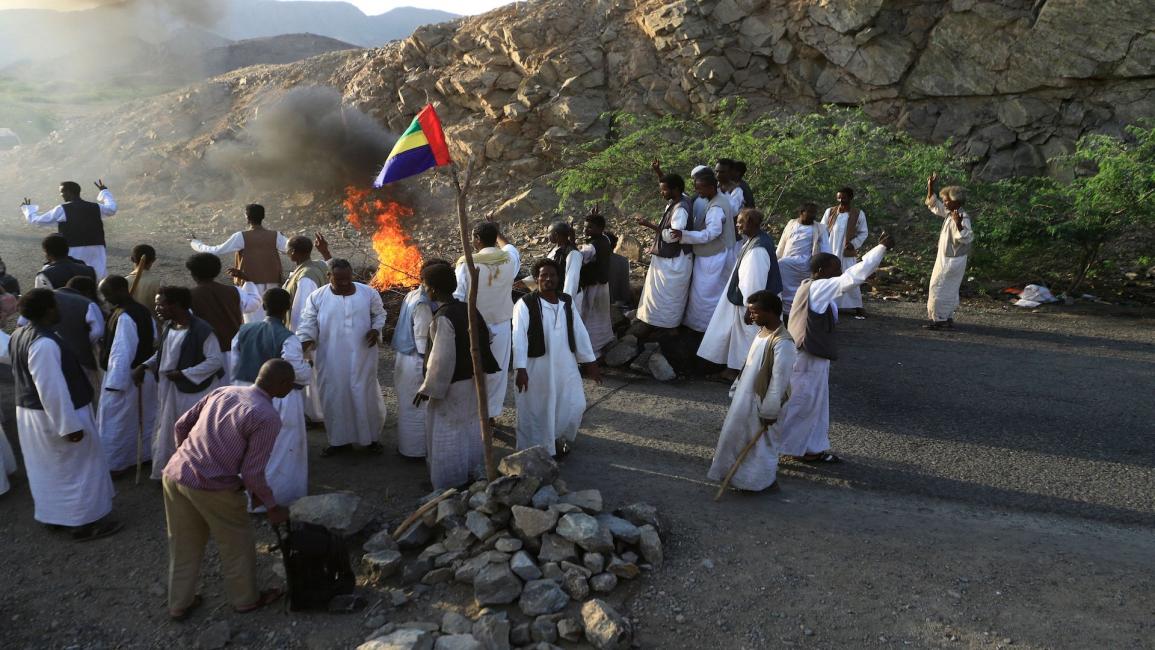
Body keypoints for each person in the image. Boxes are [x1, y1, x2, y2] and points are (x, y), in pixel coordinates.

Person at [162, 359, 294, 621]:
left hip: (175, 475)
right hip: (213, 486)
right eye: (290, 384)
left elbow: (180, 426)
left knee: (183, 545)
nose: (292, 388)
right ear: (280, 385)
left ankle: (179, 604)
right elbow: (252, 473)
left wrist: (188, 457)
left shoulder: (226, 391)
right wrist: (272, 507)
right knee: (237, 543)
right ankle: (246, 600)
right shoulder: (267, 417)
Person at [3, 289, 120, 540]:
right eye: (55, 306)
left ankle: (55, 515)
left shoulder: (19, 335)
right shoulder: (43, 343)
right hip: (56, 416)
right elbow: (52, 390)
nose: (59, 309)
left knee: (48, 469)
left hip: (32, 414)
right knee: (78, 469)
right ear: (47, 310)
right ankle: (84, 523)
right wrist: (69, 426)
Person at [776, 232, 895, 463]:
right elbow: (853, 276)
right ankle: (791, 447)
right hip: (807, 357)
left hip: (813, 356)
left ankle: (811, 448)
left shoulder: (813, 287)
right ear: (821, 271)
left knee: (815, 404)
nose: (839, 271)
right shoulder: (819, 288)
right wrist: (880, 248)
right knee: (804, 403)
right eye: (835, 267)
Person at [415, 263, 499, 489]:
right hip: (473, 380)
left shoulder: (443, 317)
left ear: (431, 289)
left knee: (447, 432)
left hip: (452, 387)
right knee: (469, 428)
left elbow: (441, 360)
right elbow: (489, 336)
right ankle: (471, 472)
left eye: (424, 285)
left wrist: (427, 389)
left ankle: (447, 482)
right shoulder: (468, 309)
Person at [229, 288, 311, 510]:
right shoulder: (288, 338)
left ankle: (250, 498)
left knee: (249, 447)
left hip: (245, 394)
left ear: (263, 307)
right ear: (287, 310)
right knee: (281, 447)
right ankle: (278, 498)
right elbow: (296, 371)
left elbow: (234, 364)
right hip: (279, 399)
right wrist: (308, 370)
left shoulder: (243, 331)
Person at [132, 286, 225, 479]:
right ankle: (169, 472)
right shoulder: (170, 326)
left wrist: (184, 374)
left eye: (161, 304)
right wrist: (144, 366)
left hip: (194, 392)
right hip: (170, 389)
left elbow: (215, 361)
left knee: (192, 433)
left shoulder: (202, 330)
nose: (157, 308)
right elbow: (163, 354)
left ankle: (195, 475)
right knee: (167, 430)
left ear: (177, 305)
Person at [297, 258, 387, 456]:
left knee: (365, 393)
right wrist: (305, 341)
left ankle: (370, 439)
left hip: (363, 355)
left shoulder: (368, 293)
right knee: (334, 396)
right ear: (328, 277)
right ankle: (339, 442)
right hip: (330, 357)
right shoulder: (316, 297)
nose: (346, 283)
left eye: (348, 279)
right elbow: (307, 322)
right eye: (340, 280)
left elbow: (380, 315)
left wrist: (375, 329)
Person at [512, 258, 601, 456]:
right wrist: (520, 369)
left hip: (565, 365)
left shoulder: (566, 301)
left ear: (558, 278)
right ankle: (537, 451)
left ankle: (554, 440)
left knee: (573, 404)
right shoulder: (524, 304)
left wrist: (590, 362)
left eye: (552, 275)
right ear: (536, 279)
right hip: (536, 367)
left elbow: (579, 331)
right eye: (544, 275)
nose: (548, 279)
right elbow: (518, 337)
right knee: (538, 408)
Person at [706, 290, 793, 492]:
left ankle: (761, 482)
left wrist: (770, 411)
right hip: (745, 399)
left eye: (755, 312)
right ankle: (739, 479)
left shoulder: (784, 344)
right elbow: (749, 365)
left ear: (771, 312)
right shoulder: (762, 333)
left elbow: (779, 381)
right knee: (737, 438)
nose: (751, 316)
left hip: (763, 404)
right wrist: (737, 388)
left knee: (761, 446)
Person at [698, 208, 782, 378]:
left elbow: (753, 283)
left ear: (751, 222)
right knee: (738, 340)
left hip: (752, 304)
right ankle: (733, 372)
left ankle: (746, 376)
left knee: (747, 341)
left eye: (741, 221)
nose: (737, 224)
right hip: (748, 302)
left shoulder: (757, 249)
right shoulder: (755, 240)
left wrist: (751, 310)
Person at [454, 222, 519, 422]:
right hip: (501, 323)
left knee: (474, 369)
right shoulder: (509, 258)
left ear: (477, 239)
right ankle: (489, 414)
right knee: (497, 371)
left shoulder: (467, 263)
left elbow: (460, 295)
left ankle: (476, 413)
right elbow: (509, 246)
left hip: (475, 326)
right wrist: (498, 231)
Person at [96, 275, 157, 476]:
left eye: (107, 294)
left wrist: (115, 384)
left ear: (121, 290)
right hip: (141, 376)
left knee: (117, 422)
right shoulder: (141, 311)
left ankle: (116, 464)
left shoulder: (125, 317)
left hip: (126, 379)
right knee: (142, 417)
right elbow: (154, 339)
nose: (105, 298)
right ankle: (143, 455)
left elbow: (122, 353)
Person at [191, 204, 288, 323]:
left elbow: (216, 250)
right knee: (271, 322)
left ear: (247, 217)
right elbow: (292, 248)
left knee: (252, 324)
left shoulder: (241, 236)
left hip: (250, 285)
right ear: (263, 217)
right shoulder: (276, 235)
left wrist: (196, 243)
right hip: (273, 285)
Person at [392, 260, 446, 459]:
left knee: (408, 407)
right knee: (418, 409)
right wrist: (429, 373)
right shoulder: (423, 304)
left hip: (404, 358)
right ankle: (416, 452)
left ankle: (409, 448)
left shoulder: (412, 294)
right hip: (416, 360)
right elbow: (423, 341)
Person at [20, 180, 118, 277]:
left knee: (76, 278)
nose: (61, 195)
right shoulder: (96, 207)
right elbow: (112, 208)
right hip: (97, 248)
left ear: (69, 192)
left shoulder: (62, 209)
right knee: (98, 277)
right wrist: (104, 192)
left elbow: (37, 221)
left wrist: (28, 209)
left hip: (74, 248)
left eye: (62, 192)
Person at [186, 252, 260, 380]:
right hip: (234, 353)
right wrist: (248, 281)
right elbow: (254, 304)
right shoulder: (234, 291)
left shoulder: (188, 296)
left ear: (193, 273)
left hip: (206, 357)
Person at [681, 168, 737, 336]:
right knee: (715, 291)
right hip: (720, 252)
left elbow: (711, 233)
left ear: (711, 187)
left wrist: (684, 235)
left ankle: (703, 328)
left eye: (700, 188)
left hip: (713, 256)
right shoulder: (722, 199)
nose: (697, 192)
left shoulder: (716, 207)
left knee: (705, 294)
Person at [634, 173, 693, 332]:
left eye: (665, 190)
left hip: (674, 260)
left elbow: (673, 236)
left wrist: (649, 225)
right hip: (669, 259)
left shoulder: (681, 209)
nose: (662, 193)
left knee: (668, 297)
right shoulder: (680, 199)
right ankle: (655, 324)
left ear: (675, 189)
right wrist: (659, 172)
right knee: (658, 295)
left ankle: (666, 328)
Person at [284, 233, 331, 425]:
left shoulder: (306, 277)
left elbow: (301, 312)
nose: (286, 253)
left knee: (311, 374)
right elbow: (331, 264)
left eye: (287, 250)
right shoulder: (318, 265)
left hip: (309, 335)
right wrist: (326, 251)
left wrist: (299, 340)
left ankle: (316, 415)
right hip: (321, 330)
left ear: (294, 253)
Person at [924, 173, 975, 330]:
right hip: (947, 258)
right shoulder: (950, 213)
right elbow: (934, 204)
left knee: (939, 286)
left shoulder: (962, 217)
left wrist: (958, 224)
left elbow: (967, 237)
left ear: (956, 202)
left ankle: (940, 320)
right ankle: (946, 317)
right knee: (948, 288)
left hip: (952, 260)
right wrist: (930, 186)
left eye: (947, 200)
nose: (944, 203)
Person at [820, 187, 870, 319]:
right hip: (830, 249)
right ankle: (828, 304)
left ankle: (857, 305)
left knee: (850, 275)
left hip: (846, 252)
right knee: (829, 276)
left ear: (850, 198)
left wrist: (854, 243)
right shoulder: (830, 212)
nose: (841, 200)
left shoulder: (858, 214)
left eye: (844, 197)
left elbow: (863, 232)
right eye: (839, 198)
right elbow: (822, 229)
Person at [776, 203, 833, 315]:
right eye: (810, 212)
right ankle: (785, 311)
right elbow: (782, 243)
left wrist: (824, 264)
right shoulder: (791, 223)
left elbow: (825, 248)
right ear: (802, 212)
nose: (813, 215)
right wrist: (775, 258)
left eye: (814, 213)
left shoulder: (820, 228)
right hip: (787, 262)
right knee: (781, 265)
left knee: (803, 289)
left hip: (807, 262)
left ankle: (800, 310)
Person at [577, 210, 616, 356]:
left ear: (600, 229)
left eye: (589, 227)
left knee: (589, 316)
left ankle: (592, 351)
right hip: (602, 285)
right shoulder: (605, 239)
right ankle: (601, 346)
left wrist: (572, 242)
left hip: (594, 286)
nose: (585, 230)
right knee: (600, 317)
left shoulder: (592, 246)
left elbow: (577, 257)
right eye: (585, 227)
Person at [547, 222, 583, 304]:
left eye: (549, 233)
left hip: (566, 299)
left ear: (555, 234)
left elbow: (571, 282)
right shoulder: (556, 248)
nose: (547, 236)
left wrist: (565, 302)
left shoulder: (573, 253)